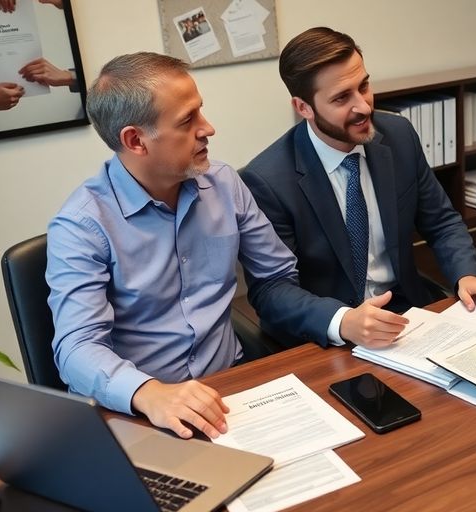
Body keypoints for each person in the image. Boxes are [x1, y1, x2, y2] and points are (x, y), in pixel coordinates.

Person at [46, 52, 343, 440]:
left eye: (200, 111)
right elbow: (76, 348)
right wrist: (148, 393)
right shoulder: (82, 226)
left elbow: (276, 277)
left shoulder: (224, 184)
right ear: (135, 140)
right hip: (142, 414)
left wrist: (338, 319)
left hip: (230, 394)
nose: (208, 129)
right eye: (187, 121)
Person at [241, 27, 476, 348]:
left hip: (405, 314)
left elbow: (441, 222)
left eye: (363, 86)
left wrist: (467, 274)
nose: (364, 107)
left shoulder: (399, 135)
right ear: (303, 107)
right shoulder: (267, 180)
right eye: (341, 98)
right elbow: (272, 290)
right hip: (326, 333)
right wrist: (341, 321)